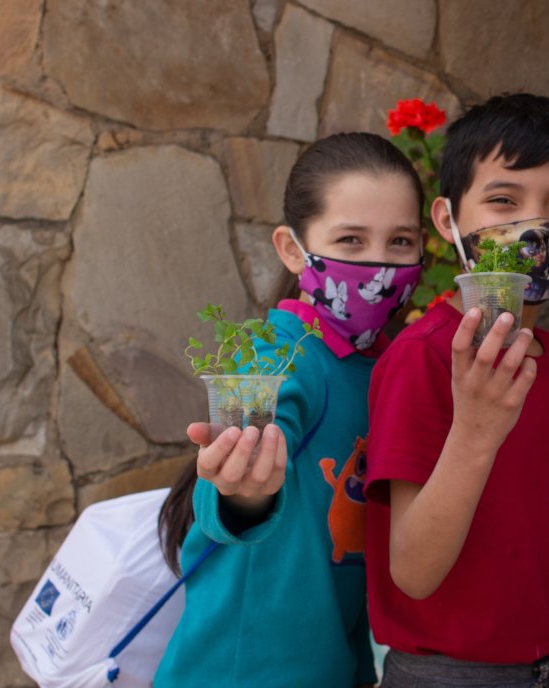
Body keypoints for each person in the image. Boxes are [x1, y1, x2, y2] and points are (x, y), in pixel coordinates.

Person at [154, 132, 424, 687]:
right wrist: (243, 488)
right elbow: (228, 480)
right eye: (350, 240)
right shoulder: (270, 351)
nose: (378, 261)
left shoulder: (384, 365)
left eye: (400, 241)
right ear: (290, 248)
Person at [364, 93, 549, 688]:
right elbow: (414, 572)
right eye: (503, 200)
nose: (532, 225)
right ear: (448, 221)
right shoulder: (422, 360)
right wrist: (475, 431)